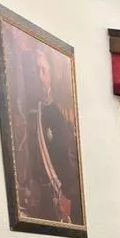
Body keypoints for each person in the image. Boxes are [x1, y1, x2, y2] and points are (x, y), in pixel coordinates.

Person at [22, 48, 80, 224]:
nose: (40, 78)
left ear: (50, 75)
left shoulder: (59, 116)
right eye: (35, 72)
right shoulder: (26, 116)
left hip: (62, 200)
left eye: (43, 70)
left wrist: (69, 197)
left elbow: (69, 163)